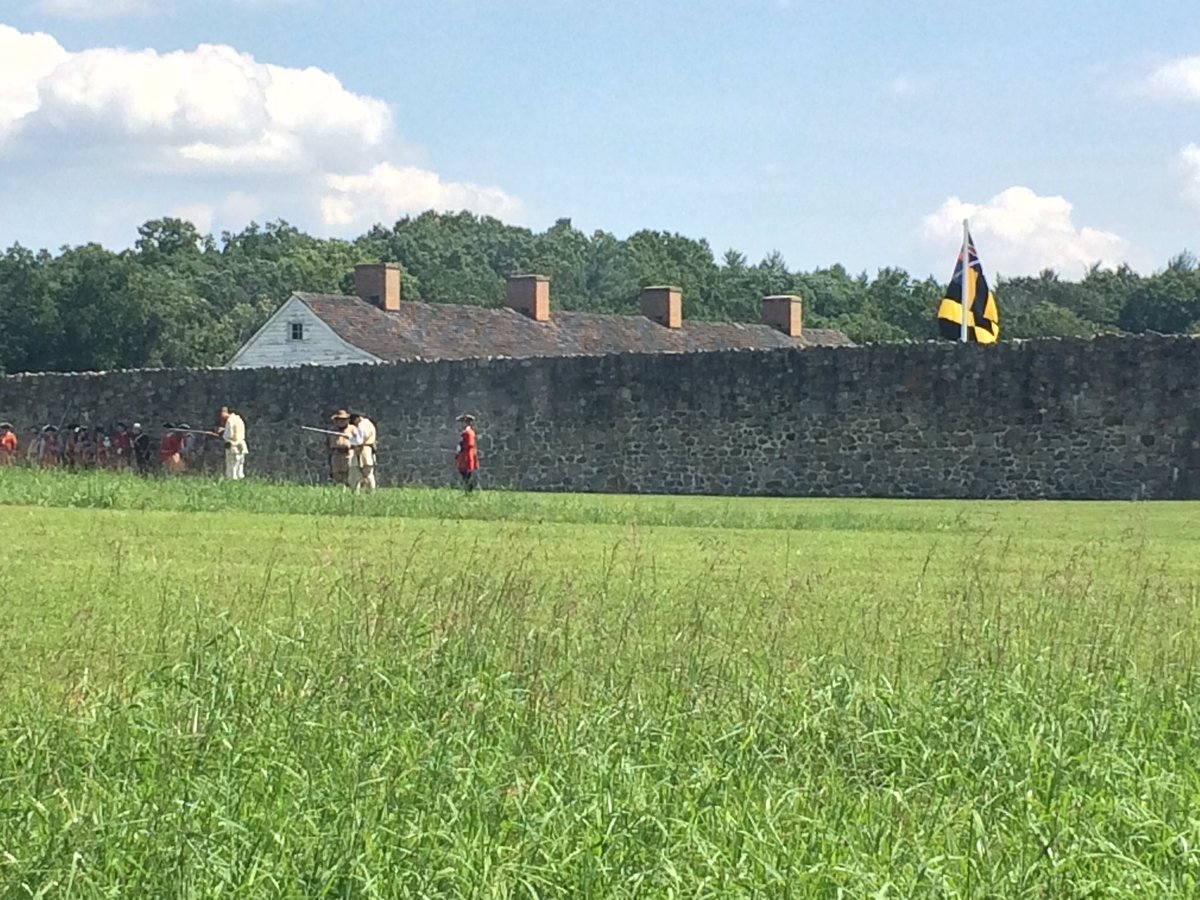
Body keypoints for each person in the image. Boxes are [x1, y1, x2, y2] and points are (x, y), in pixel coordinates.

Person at [347, 411, 377, 493]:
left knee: (366, 473)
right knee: (357, 472)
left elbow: (361, 438)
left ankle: (369, 492)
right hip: (362, 449)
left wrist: (353, 441)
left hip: (364, 449)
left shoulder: (363, 424)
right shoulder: (367, 424)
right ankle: (364, 492)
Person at [216, 406, 248, 480]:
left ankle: (231, 481)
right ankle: (240, 481)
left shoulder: (230, 421)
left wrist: (221, 432)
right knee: (239, 466)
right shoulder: (238, 419)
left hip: (233, 447)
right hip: (241, 445)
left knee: (231, 467)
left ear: (223, 413)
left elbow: (229, 434)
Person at [327, 410, 354, 487]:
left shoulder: (352, 429)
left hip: (348, 454)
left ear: (348, 420)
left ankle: (349, 489)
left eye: (343, 420)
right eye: (339, 420)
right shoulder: (332, 430)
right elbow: (327, 442)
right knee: (336, 474)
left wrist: (350, 437)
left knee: (349, 473)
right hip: (336, 455)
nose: (341, 421)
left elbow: (358, 440)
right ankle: (338, 489)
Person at [455, 414, 479, 492]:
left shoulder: (469, 433)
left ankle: (469, 488)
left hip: (467, 456)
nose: (462, 424)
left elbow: (470, 444)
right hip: (463, 455)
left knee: (466, 473)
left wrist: (461, 446)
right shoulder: (465, 432)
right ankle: (467, 488)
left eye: (464, 422)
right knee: (463, 473)